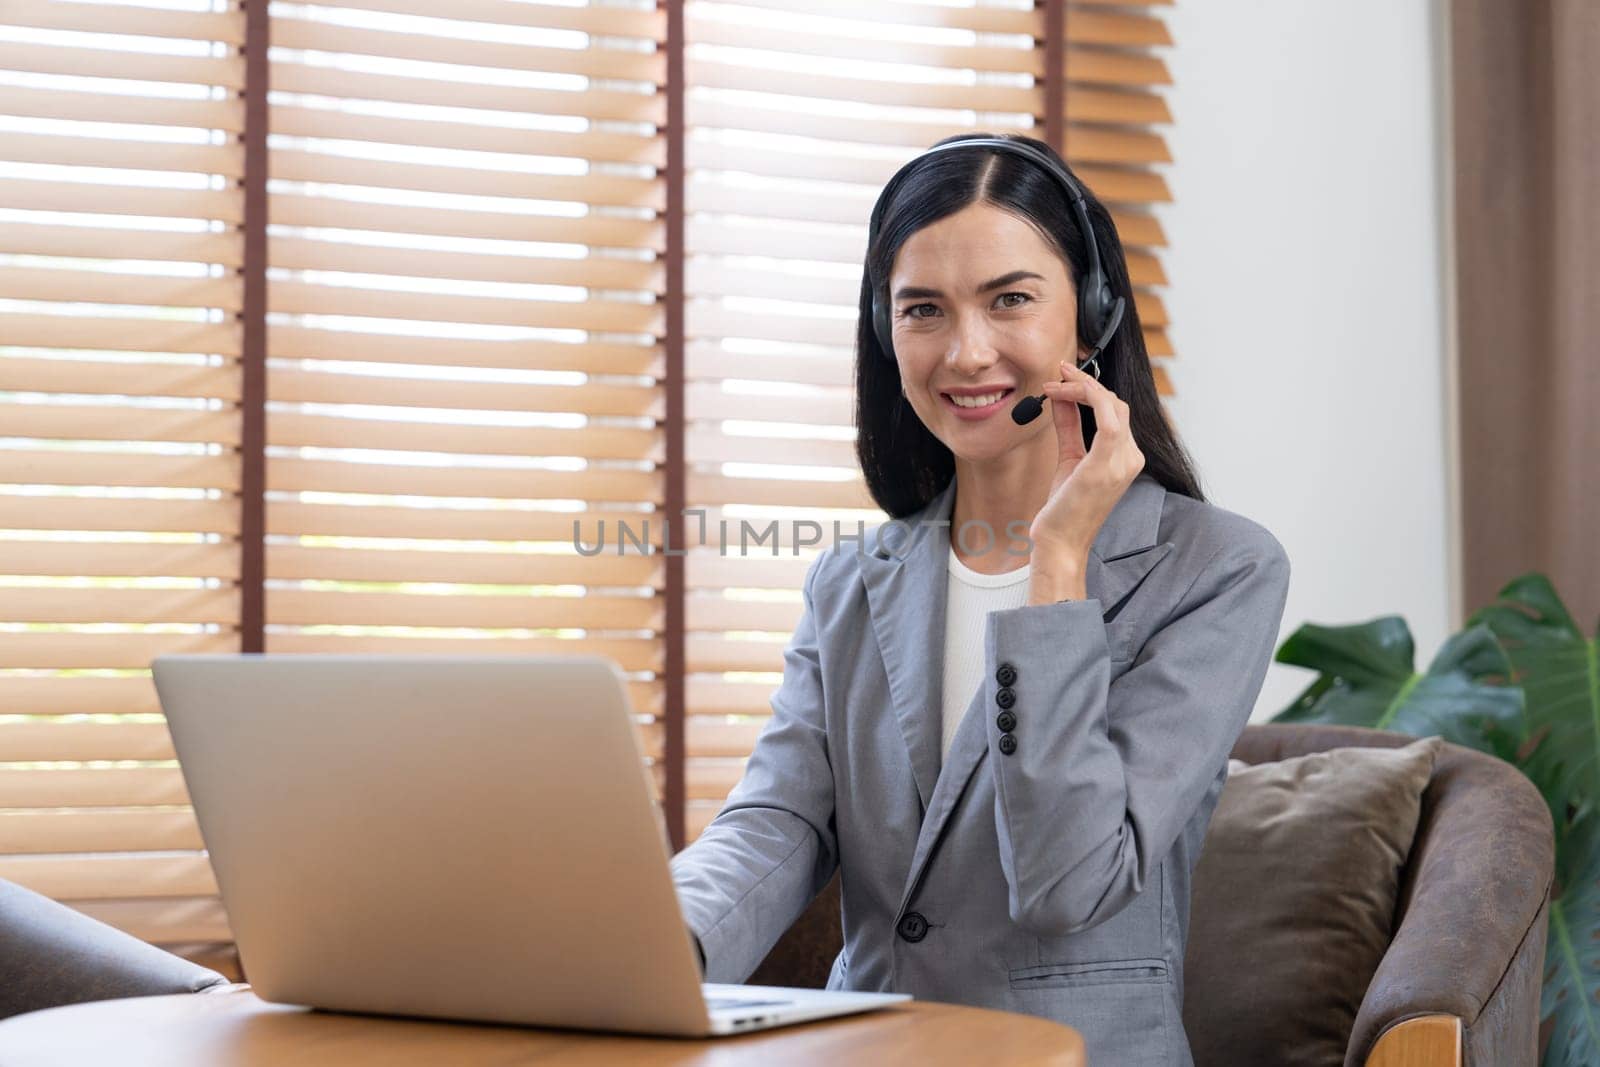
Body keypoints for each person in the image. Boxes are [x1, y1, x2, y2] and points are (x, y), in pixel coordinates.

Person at [669, 131, 1291, 1067]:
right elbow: (782, 817)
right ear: (886, 333)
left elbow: (1071, 879)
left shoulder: (1216, 570)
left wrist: (1058, 561)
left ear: (1090, 316)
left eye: (1010, 300)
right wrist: (655, 938)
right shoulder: (851, 581)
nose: (966, 352)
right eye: (923, 309)